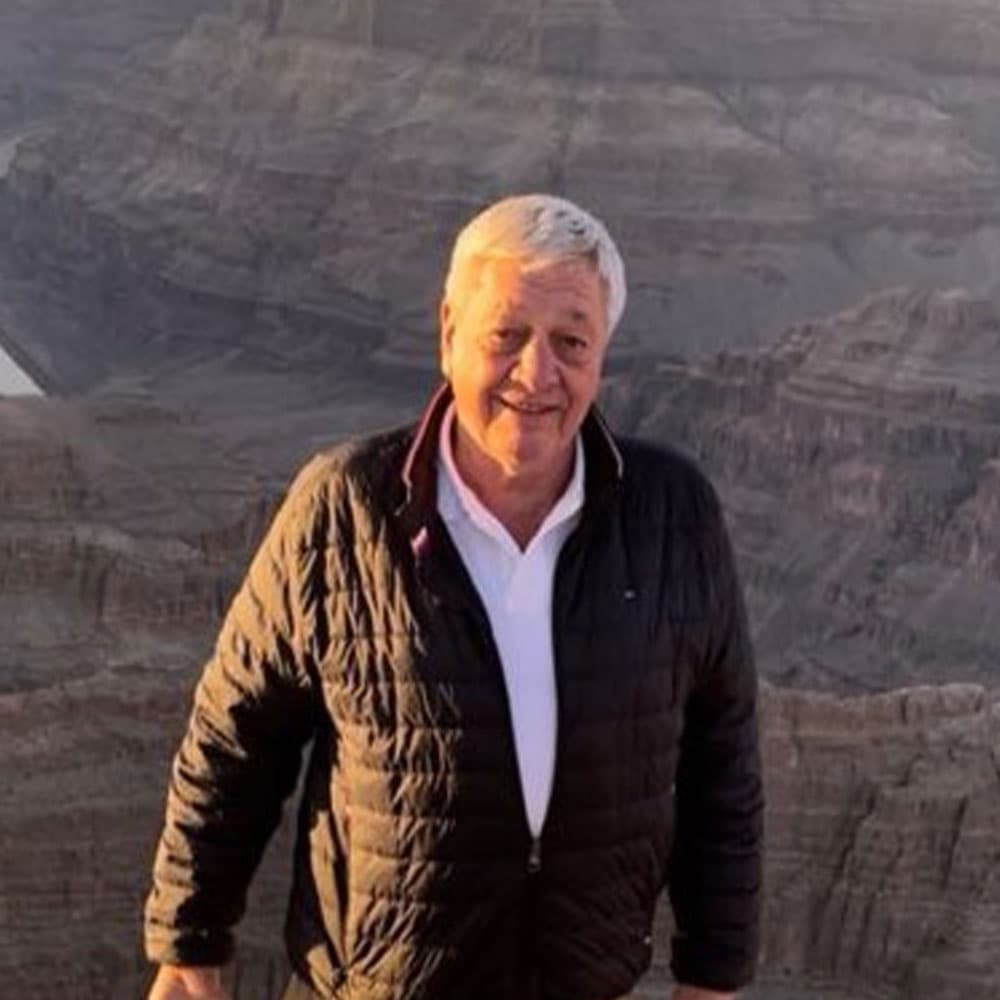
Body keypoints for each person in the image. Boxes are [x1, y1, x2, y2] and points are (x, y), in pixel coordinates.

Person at [144, 194, 764, 1000]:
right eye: (506, 335)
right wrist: (190, 946)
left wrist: (713, 975)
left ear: (602, 352)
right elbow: (235, 739)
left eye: (570, 342)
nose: (537, 374)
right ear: (448, 334)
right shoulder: (344, 509)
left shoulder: (672, 514)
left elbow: (723, 761)